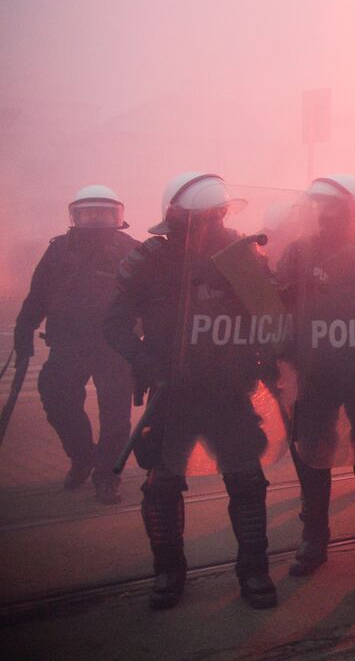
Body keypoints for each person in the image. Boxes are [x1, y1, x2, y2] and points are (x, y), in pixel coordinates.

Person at [104, 172, 282, 610]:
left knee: (246, 481)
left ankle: (254, 571)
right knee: (162, 485)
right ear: (179, 218)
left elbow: (273, 318)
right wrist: (146, 363)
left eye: (216, 216)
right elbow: (114, 322)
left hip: (227, 390)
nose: (211, 225)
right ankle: (168, 571)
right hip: (174, 392)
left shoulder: (242, 257)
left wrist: (265, 360)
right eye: (203, 218)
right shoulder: (151, 260)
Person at [278, 175, 355, 586]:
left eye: (334, 206)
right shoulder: (299, 252)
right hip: (317, 375)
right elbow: (279, 308)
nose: (325, 214)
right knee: (313, 453)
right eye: (320, 206)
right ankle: (314, 539)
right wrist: (286, 353)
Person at [15, 186, 138, 504]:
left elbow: (152, 300)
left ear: (117, 216)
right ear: (76, 216)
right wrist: (23, 327)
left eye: (103, 213)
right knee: (58, 402)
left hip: (115, 346)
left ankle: (107, 475)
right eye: (90, 213)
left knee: (116, 418)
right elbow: (38, 295)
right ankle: (84, 458)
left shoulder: (134, 251)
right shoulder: (58, 251)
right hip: (69, 343)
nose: (97, 219)